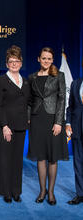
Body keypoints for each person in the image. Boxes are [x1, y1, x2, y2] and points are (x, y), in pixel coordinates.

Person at [27, 47, 69, 205]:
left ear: (52, 60)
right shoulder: (32, 77)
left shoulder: (59, 76)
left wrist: (59, 122)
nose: (46, 61)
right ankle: (42, 191)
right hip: (37, 120)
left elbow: (62, 99)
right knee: (41, 156)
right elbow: (29, 101)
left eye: (49, 58)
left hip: (53, 120)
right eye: (43, 58)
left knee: (52, 157)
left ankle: (51, 192)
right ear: (38, 59)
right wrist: (28, 119)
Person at [0, 45, 30, 203]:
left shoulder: (26, 82)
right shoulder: (1, 80)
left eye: (17, 61)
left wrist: (28, 119)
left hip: (21, 126)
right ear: (6, 64)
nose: (14, 63)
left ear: (21, 63)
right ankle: (6, 192)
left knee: (17, 160)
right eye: (11, 61)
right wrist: (5, 126)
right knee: (5, 160)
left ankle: (16, 191)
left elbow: (29, 103)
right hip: (6, 127)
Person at [66, 59, 83, 205]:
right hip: (78, 131)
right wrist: (68, 123)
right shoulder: (75, 83)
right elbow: (70, 107)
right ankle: (80, 194)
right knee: (78, 163)